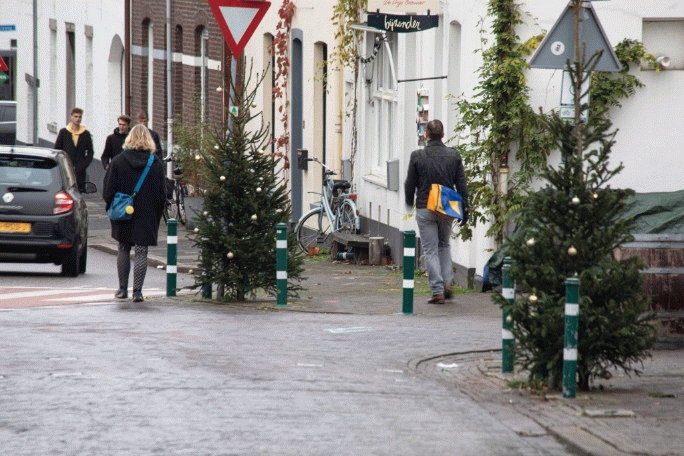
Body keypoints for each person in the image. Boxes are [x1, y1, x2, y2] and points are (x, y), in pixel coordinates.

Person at [404, 119, 469, 305]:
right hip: (446, 207)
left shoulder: (417, 156)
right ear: (443, 135)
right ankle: (447, 284)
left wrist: (409, 202)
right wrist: (465, 207)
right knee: (444, 245)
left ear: (426, 135)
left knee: (430, 250)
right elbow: (461, 184)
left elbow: (410, 183)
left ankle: (437, 291)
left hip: (425, 207)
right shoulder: (454, 156)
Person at [103, 124, 166, 303]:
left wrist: (112, 207)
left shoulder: (118, 161)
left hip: (123, 212)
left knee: (123, 247)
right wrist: (156, 213)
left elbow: (108, 190)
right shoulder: (155, 164)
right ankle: (137, 292)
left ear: (129, 138)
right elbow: (162, 194)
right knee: (141, 250)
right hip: (146, 213)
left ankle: (122, 289)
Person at [54, 107, 94, 191]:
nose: (78, 119)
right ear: (71, 117)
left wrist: (83, 165)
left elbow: (90, 152)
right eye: (75, 116)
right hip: (66, 169)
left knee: (78, 192)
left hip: (80, 171)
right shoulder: (64, 132)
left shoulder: (85, 134)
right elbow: (57, 149)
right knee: (65, 191)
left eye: (80, 117)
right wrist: (62, 164)